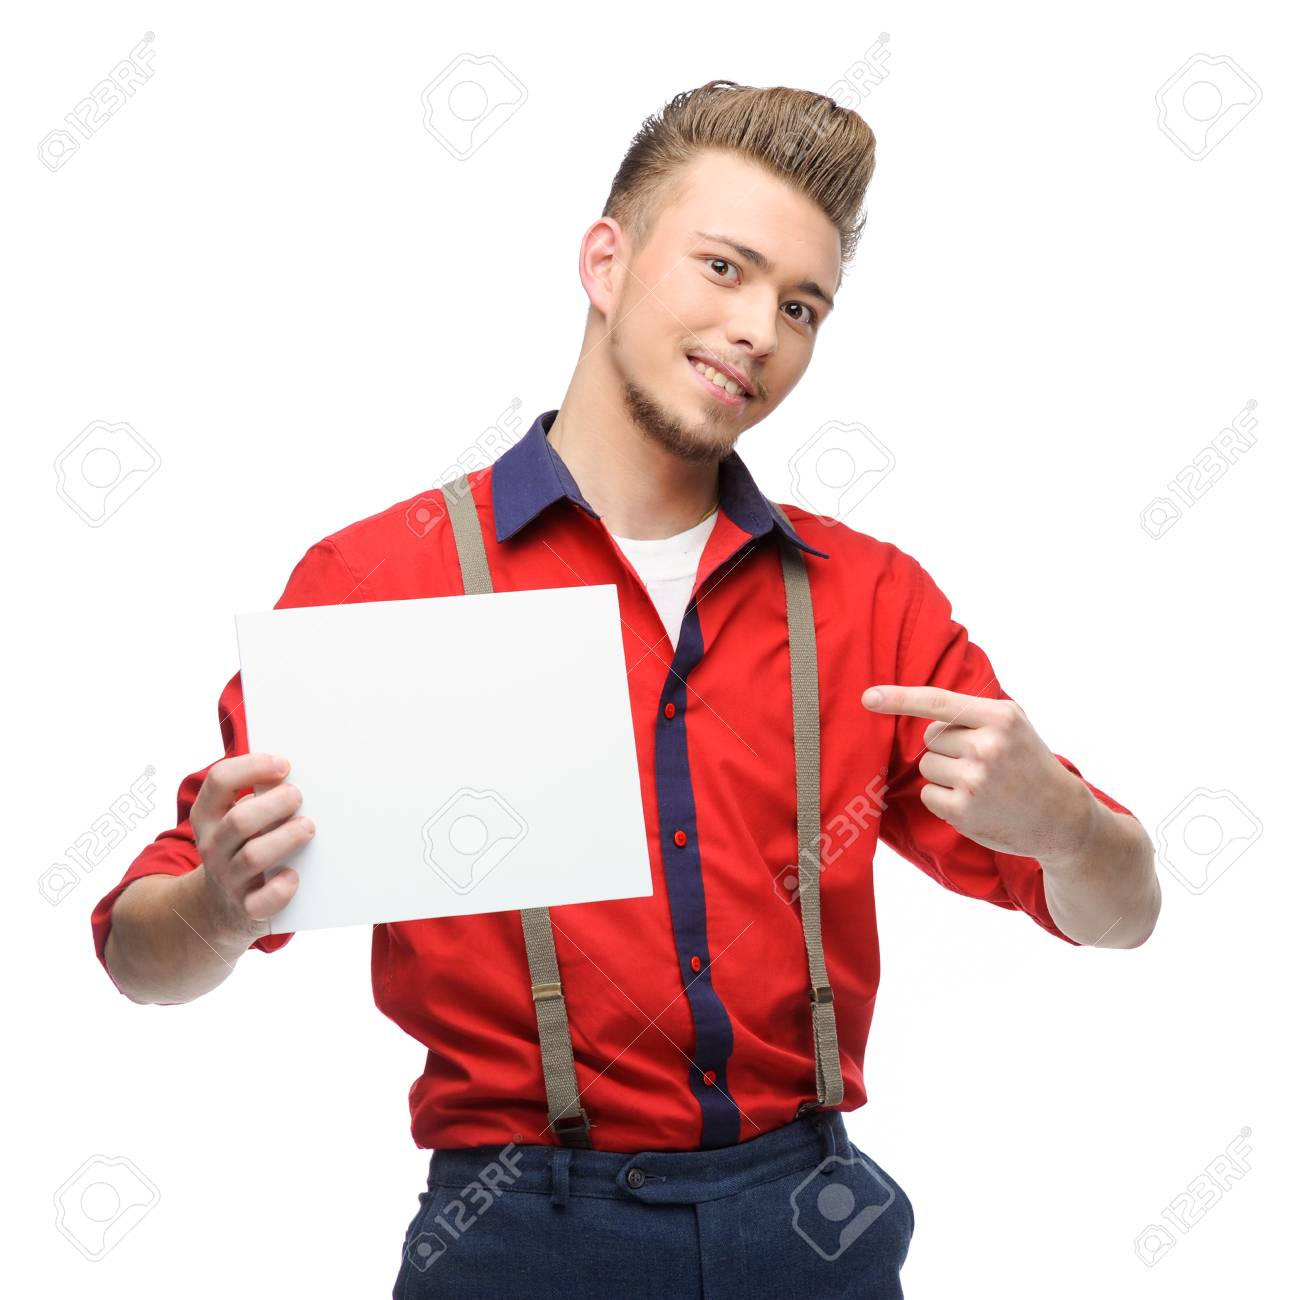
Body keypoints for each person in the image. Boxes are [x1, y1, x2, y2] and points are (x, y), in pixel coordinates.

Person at [91, 79, 1161, 1299]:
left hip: (815, 1225)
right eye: (722, 267)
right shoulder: (383, 584)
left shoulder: (870, 600)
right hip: (520, 1233)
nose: (760, 327)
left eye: (800, 303)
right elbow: (140, 951)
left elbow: (1121, 910)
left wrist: (1068, 826)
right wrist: (223, 905)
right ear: (605, 261)